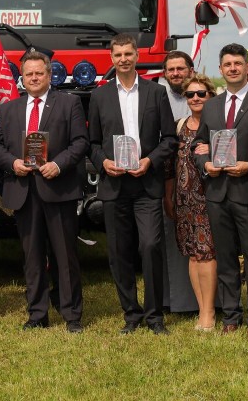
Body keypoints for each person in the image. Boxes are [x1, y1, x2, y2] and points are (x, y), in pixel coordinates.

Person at [0, 50, 89, 332]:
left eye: (39, 73)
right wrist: (12, 162)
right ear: (22, 77)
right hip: (24, 190)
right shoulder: (9, 109)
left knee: (64, 255)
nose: (34, 78)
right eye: (28, 74)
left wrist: (58, 164)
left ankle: (71, 315)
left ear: (49, 75)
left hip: (59, 189)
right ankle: (37, 314)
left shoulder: (69, 104)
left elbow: (81, 143)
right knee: (31, 257)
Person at [88, 33, 177, 335]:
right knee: (119, 251)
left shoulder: (156, 93)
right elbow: (92, 142)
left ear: (137, 56)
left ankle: (154, 315)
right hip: (114, 185)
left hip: (146, 183)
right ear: (111, 58)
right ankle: (131, 314)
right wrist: (103, 162)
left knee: (151, 245)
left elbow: (170, 140)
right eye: (118, 55)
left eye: (128, 54)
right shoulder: (99, 96)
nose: (123, 59)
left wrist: (150, 161)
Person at [195, 43, 248, 336]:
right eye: (227, 64)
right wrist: (205, 164)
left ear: (247, 68)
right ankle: (231, 315)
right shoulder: (212, 105)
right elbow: (199, 144)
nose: (232, 68)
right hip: (217, 193)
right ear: (220, 69)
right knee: (226, 259)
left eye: (238, 64)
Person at [164, 74, 217, 330]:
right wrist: (169, 195)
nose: (195, 98)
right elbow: (170, 167)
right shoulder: (178, 126)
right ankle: (201, 309)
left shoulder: (217, 124)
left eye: (201, 94)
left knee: (206, 254)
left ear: (210, 95)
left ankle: (209, 313)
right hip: (184, 201)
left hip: (210, 199)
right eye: (190, 94)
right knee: (194, 256)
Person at [158, 50, 198, 314]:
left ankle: (205, 301)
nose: (175, 73)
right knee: (170, 242)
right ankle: (173, 301)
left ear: (190, 71)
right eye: (170, 69)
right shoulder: (156, 98)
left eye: (180, 69)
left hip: (201, 183)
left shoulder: (205, 96)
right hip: (168, 178)